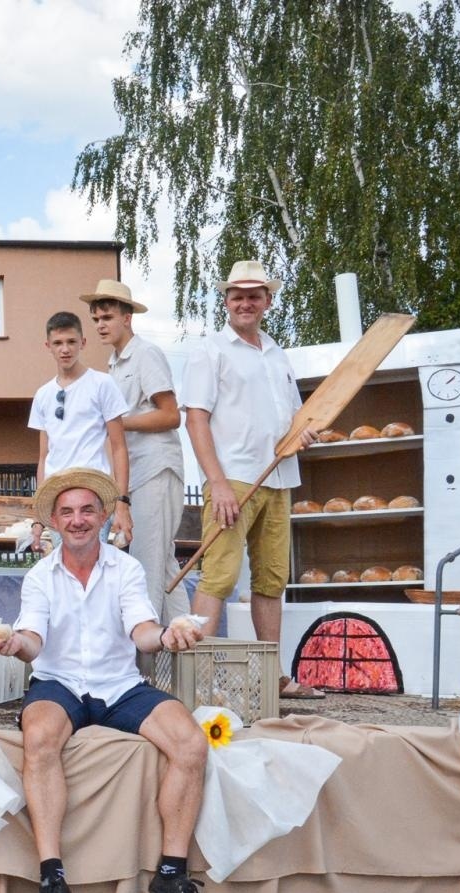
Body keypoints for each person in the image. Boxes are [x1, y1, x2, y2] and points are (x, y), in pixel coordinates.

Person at [0, 467, 215, 893]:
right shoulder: (39, 577)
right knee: (40, 736)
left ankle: (171, 872)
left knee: (190, 744)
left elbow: (143, 632)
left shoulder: (126, 568)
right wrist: (13, 644)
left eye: (87, 510)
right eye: (67, 511)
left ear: (105, 515)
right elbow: (32, 639)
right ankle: (52, 875)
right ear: (53, 519)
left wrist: (168, 635)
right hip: (59, 682)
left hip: (119, 683)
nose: (77, 520)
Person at [181, 260, 323, 700]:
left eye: (254, 295)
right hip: (235, 480)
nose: (245, 302)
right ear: (225, 301)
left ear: (267, 301)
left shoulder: (277, 353)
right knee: (218, 577)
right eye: (237, 295)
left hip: (280, 478)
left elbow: (295, 419)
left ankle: (271, 679)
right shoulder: (211, 351)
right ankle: (195, 680)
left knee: (271, 581)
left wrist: (305, 433)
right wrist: (217, 483)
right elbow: (196, 421)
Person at [82, 279, 190, 625]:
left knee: (148, 567)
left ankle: (146, 665)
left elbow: (171, 414)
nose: (101, 324)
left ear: (127, 318)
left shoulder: (145, 354)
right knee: (164, 566)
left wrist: (120, 424)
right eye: (96, 318)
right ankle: (184, 659)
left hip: (156, 469)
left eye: (107, 317)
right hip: (137, 474)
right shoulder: (113, 364)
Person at [27, 310, 131, 551]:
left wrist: (122, 503)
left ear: (83, 343)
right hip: (56, 496)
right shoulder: (43, 395)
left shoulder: (102, 384)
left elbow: (119, 447)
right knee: (62, 571)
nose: (65, 349)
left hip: (94, 492)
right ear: (48, 346)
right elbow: (44, 456)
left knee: (92, 565)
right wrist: (39, 513)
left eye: (71, 342)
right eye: (58, 343)